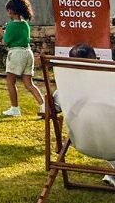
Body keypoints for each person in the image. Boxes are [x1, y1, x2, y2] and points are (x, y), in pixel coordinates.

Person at [51, 44, 115, 188]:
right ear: (96, 59)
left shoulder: (65, 92)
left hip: (83, 141)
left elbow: (50, 110)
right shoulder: (111, 82)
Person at [1, 0, 45, 118]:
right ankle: (43, 105)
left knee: (10, 81)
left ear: (11, 11)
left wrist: (4, 32)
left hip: (16, 53)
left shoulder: (10, 26)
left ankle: (15, 108)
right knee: (29, 83)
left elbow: (6, 41)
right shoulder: (25, 24)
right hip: (28, 52)